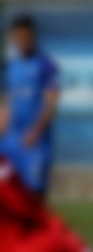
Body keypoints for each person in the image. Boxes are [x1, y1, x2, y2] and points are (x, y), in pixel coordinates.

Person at [0, 15, 59, 197]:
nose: (22, 41)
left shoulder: (44, 65)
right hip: (11, 139)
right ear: (12, 38)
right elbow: (6, 104)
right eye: (19, 37)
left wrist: (36, 131)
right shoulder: (10, 66)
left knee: (34, 193)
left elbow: (50, 102)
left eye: (26, 37)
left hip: (35, 140)